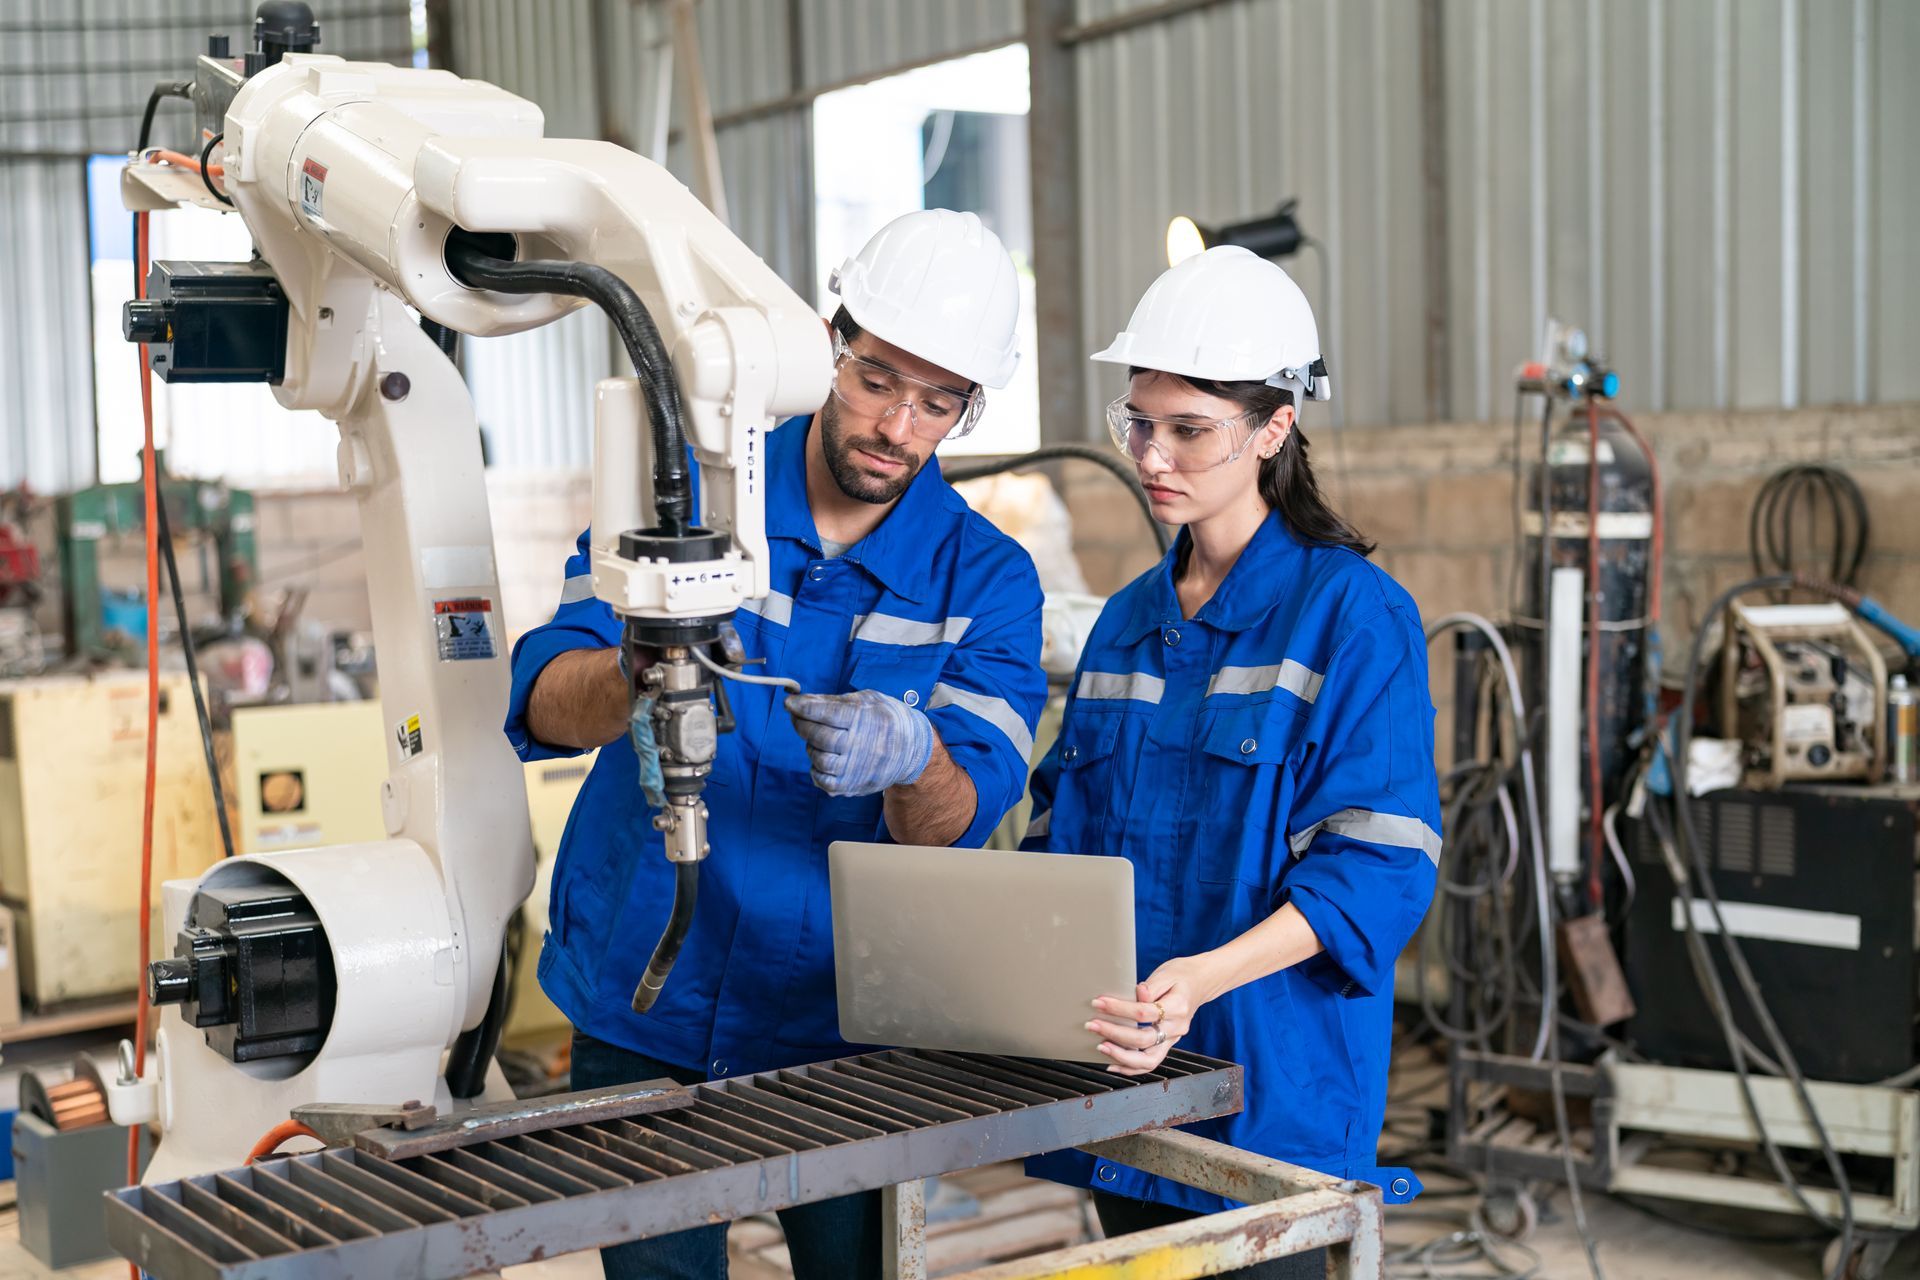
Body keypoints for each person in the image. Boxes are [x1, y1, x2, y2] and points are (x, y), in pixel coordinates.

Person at [505, 209, 1048, 1280]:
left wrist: (913, 756)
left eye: (939, 402)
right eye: (877, 378)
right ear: (829, 345)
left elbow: (959, 811)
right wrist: (638, 665)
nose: (898, 423)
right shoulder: (690, 494)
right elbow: (542, 702)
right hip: (646, 994)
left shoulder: (987, 583)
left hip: (844, 1029)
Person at [1022, 246, 1441, 1278]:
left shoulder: (1353, 616)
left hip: (1271, 1105)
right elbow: (1057, 835)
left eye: (1190, 429)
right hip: (1123, 1093)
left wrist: (1198, 981)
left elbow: (1377, 869)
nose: (1153, 457)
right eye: (1139, 424)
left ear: (1273, 427)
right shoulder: (1125, 623)